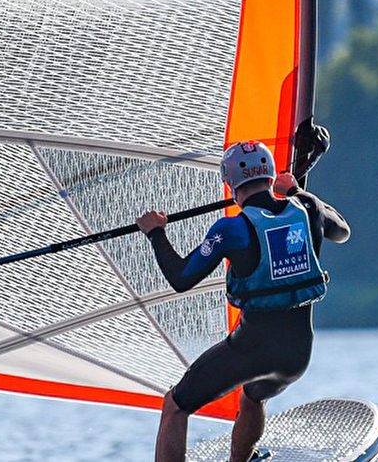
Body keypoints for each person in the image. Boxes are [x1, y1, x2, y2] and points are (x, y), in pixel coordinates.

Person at [136, 136, 349, 462]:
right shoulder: (308, 209)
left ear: (230, 184)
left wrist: (156, 233)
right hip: (296, 357)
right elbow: (342, 231)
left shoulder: (232, 229)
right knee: (252, 396)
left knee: (175, 406)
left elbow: (181, 278)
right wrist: (297, 192)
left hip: (251, 351)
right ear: (271, 176)